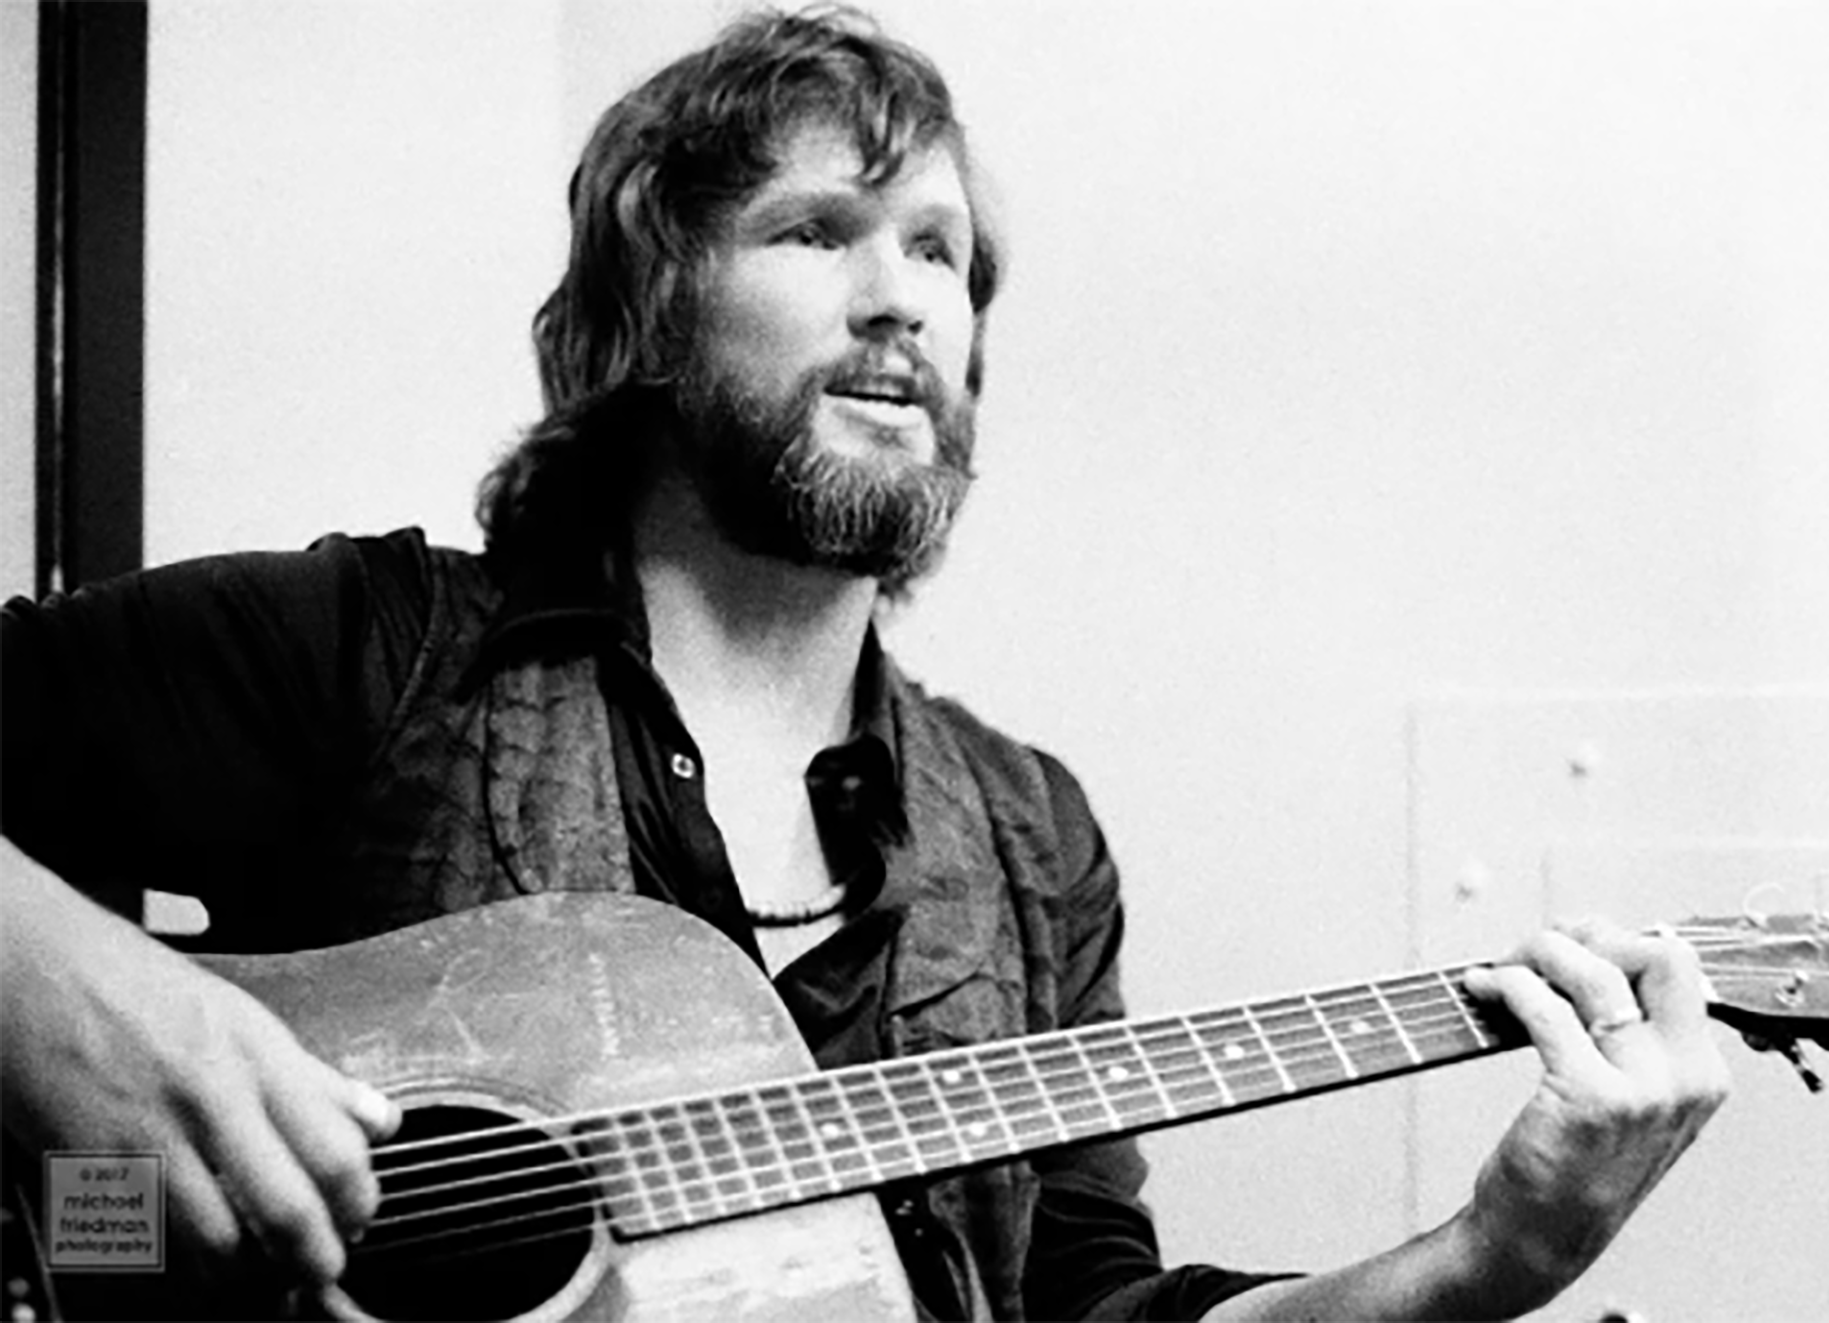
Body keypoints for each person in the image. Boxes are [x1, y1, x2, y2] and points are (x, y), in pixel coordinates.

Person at [0, 7, 1728, 1320]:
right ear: (655, 309)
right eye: (820, 231)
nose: (902, 299)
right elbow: (107, 1197)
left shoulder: (1032, 836)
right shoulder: (365, 654)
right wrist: (69, 994)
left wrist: (1495, 1252)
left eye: (943, 254)